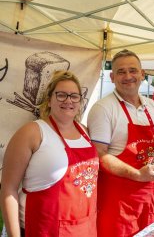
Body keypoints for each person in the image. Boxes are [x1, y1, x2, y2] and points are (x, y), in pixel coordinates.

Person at [87, 49, 154, 236]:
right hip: (121, 205)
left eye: (133, 70)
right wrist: (138, 174)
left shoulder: (153, 107)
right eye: (121, 72)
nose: (128, 76)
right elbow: (98, 154)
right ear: (112, 77)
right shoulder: (103, 108)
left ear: (142, 74)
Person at [1, 70, 99, 237]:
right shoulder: (32, 132)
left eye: (74, 96)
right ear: (49, 100)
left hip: (85, 229)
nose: (68, 100)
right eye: (61, 95)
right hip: (42, 230)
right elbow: (8, 189)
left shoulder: (86, 132)